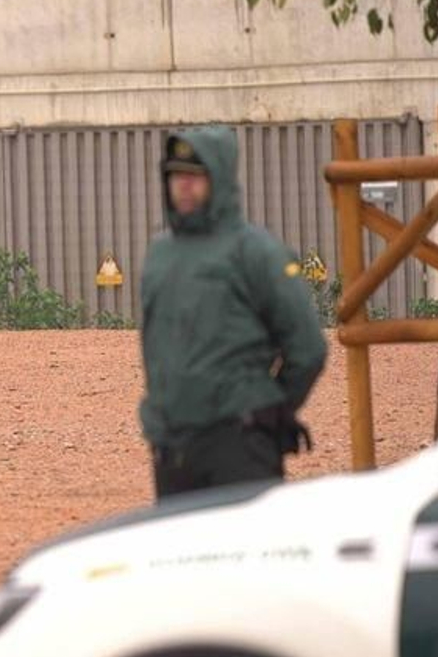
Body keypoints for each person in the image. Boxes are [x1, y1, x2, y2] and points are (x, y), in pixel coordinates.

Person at [139, 126, 328, 499]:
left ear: (219, 179)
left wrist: (268, 409)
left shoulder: (256, 252)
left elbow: (307, 348)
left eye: (195, 176)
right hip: (173, 450)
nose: (184, 186)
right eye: (176, 175)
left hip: (239, 446)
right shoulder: (159, 255)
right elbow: (153, 345)